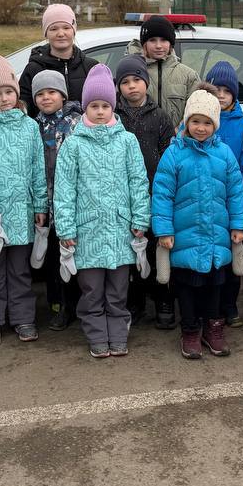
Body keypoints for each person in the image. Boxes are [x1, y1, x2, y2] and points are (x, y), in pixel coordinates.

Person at [54, 64, 151, 358]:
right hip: (88, 232)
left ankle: (118, 334)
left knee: (118, 291)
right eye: (94, 106)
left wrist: (140, 219)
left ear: (113, 107)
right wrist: (66, 229)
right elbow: (63, 190)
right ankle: (97, 336)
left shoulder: (127, 141)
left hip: (121, 231)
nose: (99, 111)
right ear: (85, 108)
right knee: (92, 291)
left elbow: (138, 182)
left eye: (105, 105)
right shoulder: (73, 145)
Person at [151, 89, 243, 360]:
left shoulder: (225, 154)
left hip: (217, 238)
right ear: (186, 122)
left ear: (215, 124)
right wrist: (164, 230)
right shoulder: (173, 154)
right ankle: (190, 330)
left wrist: (239, 225)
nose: (201, 128)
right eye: (195, 121)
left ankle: (213, 328)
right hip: (185, 238)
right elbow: (162, 193)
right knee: (187, 289)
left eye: (207, 122)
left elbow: (236, 192)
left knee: (216, 287)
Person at [0, 56, 47, 345]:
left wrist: (40, 205)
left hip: (23, 213)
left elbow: (37, 168)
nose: (4, 99)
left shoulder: (29, 127)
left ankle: (23, 318)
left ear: (17, 93)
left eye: (8, 92)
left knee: (20, 271)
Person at [114, 55, 176, 329]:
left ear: (146, 83)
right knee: (132, 253)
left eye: (137, 80)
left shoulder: (160, 116)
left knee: (157, 249)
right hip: (123, 197)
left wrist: (161, 189)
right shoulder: (113, 117)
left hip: (155, 195)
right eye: (125, 82)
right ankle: (135, 302)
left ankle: (164, 301)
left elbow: (167, 155)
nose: (132, 87)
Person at [29, 70, 83, 331]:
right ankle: (58, 303)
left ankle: (77, 304)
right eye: (40, 94)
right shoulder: (34, 125)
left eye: (51, 92)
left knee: (73, 252)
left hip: (72, 202)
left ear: (62, 95)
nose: (46, 97)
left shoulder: (77, 123)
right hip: (46, 201)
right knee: (53, 256)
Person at [205, 63, 243, 327]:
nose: (221, 95)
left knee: (233, 257)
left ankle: (230, 306)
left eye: (226, 90)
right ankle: (210, 308)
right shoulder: (197, 122)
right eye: (216, 90)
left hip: (232, 204)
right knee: (212, 259)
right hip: (205, 204)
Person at [124, 15, 200, 129]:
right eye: (152, 40)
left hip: (177, 144)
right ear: (144, 44)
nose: (158, 46)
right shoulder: (131, 74)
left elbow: (197, 112)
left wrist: (177, 133)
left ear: (171, 43)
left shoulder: (189, 76)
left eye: (163, 40)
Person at [18, 4, 100, 110]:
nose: (61, 33)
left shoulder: (91, 67)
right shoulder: (33, 69)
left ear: (74, 31)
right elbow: (24, 108)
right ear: (46, 33)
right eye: (53, 29)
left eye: (66, 27)